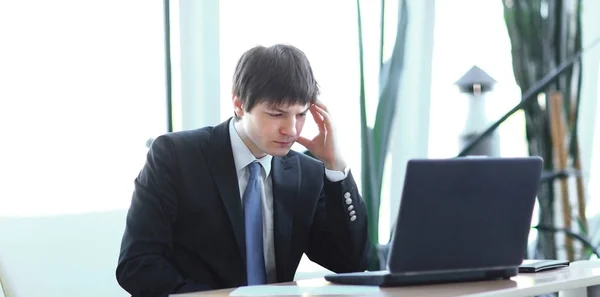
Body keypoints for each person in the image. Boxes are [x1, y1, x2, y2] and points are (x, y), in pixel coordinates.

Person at [116, 44, 371, 297]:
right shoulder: (175, 156)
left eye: (301, 114)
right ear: (239, 104)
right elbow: (137, 264)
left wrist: (335, 165)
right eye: (276, 114)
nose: (291, 129)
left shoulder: (307, 173)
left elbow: (350, 263)